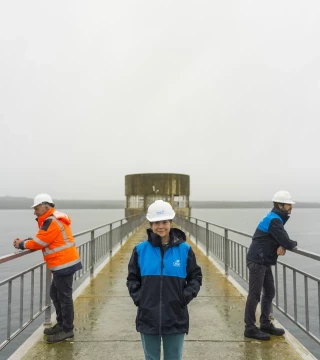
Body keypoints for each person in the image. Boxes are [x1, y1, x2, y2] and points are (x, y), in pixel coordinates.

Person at [127, 200, 202, 360]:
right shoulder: (140, 250)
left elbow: (196, 276)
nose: (161, 226)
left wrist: (184, 297)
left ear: (171, 222)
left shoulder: (185, 250)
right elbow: (132, 279)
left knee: (174, 357)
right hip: (148, 317)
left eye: (164, 222)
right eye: (156, 222)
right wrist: (140, 299)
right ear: (150, 224)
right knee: (151, 357)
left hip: (175, 316)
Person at [13, 193, 82, 344]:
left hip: (63, 264)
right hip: (63, 263)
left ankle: (67, 329)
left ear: (46, 206)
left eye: (36, 208)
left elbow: (39, 242)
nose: (34, 211)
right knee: (56, 294)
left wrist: (21, 244)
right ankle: (62, 324)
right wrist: (26, 241)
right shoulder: (52, 220)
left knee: (64, 297)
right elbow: (43, 238)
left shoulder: (51, 221)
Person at [244, 190, 298, 340]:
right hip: (257, 261)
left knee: (269, 292)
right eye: (288, 205)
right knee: (254, 295)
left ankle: (265, 323)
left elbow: (278, 238)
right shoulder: (275, 220)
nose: (291, 208)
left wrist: (281, 244)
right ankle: (249, 328)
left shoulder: (274, 218)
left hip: (263, 260)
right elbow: (287, 241)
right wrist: (289, 244)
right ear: (280, 205)